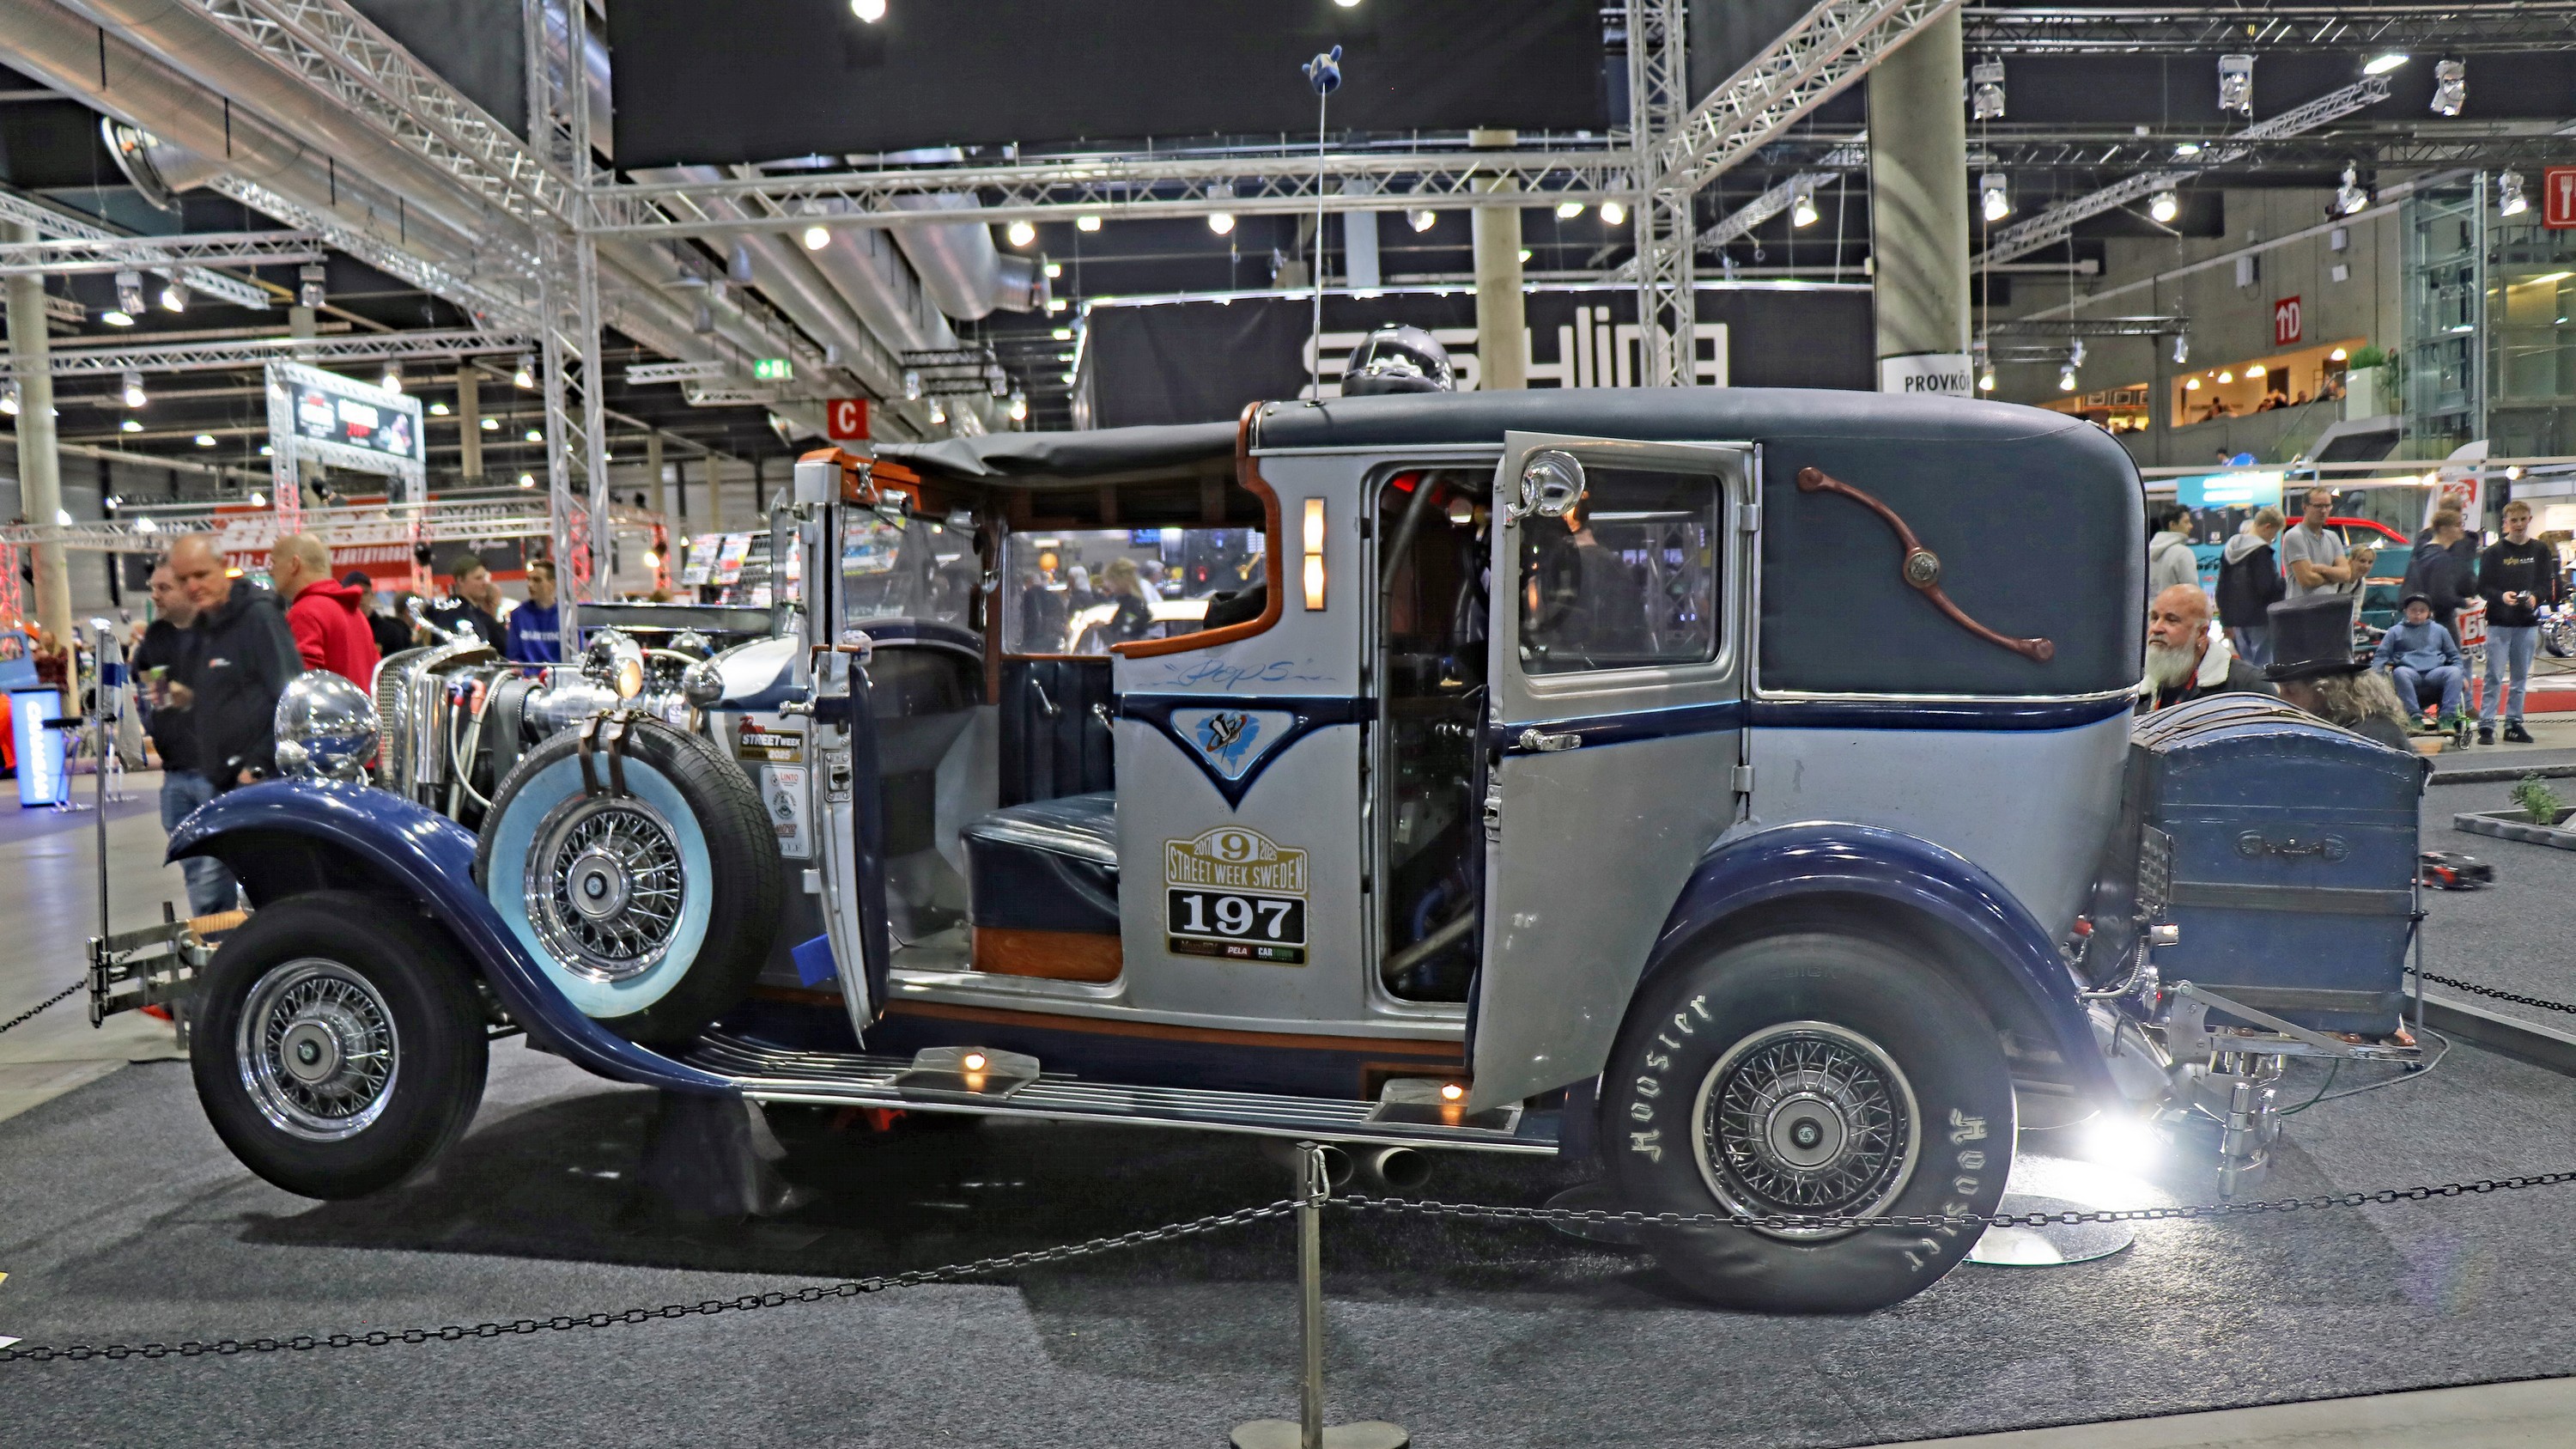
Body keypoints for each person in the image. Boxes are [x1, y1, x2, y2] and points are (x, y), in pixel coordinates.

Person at [130, 558, 235, 916]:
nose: (155, 596)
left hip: (213, 774)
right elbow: (148, 676)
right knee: (194, 867)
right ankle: (214, 934)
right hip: (175, 774)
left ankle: (219, 937)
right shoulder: (158, 635)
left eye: (164, 588)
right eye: (153, 589)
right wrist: (164, 694)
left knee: (213, 871)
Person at [165, 533, 301, 789]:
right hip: (222, 781)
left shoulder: (259, 617)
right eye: (183, 579)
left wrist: (258, 767)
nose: (192, 587)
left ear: (223, 566)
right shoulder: (204, 627)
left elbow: (292, 701)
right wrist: (190, 698)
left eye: (201, 575)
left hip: (259, 784)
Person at [2268, 594, 2414, 752]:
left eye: (2290, 690)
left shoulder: (2373, 739)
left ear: (2326, 690)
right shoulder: (2326, 731)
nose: (2281, 700)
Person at [2477, 498, 2562, 745]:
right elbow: (2483, 587)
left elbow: (2546, 584)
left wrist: (2536, 597)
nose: (2518, 524)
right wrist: (2501, 596)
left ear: (2529, 520)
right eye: (2513, 520)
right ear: (2506, 522)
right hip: (2499, 622)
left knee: (2520, 677)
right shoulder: (2494, 552)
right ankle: (2486, 724)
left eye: (2523, 519)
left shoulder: (2539, 550)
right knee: (2493, 675)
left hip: (2526, 622)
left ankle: (2514, 723)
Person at [2139, 582, 2271, 712]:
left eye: (2172, 620)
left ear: (2201, 633)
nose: (2156, 628)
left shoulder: (2248, 687)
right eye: (2154, 618)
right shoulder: (2136, 691)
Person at [270, 533, 380, 686]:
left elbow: (305, 687)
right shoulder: (356, 613)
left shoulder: (305, 613)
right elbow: (377, 677)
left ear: (294, 564)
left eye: (273, 563)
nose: (271, 571)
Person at [2372, 593, 2466, 725]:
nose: (2417, 614)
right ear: (2406, 611)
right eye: (2413, 610)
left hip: (2435, 673)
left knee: (2454, 672)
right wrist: (2376, 679)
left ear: (2429, 613)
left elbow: (2454, 656)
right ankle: (2414, 717)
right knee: (2400, 672)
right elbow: (2381, 656)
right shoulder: (2395, 631)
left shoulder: (2440, 630)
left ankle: (2448, 718)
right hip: (2409, 673)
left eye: (2422, 610)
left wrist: (2462, 675)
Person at [2281, 488, 2374, 609]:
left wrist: (2322, 569)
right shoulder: (2295, 536)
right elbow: (2307, 580)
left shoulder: (2333, 537)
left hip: (2329, 611)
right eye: (2318, 506)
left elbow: (2346, 574)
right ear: (2305, 507)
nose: (2324, 511)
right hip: (2302, 611)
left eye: (2327, 506)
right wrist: (2334, 577)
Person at [2215, 507, 2286, 667]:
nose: (2272, 538)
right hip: (2259, 618)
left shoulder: (2230, 549)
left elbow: (2222, 587)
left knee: (2246, 666)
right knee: (2263, 666)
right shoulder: (2261, 552)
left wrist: (2224, 620)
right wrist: (2283, 584)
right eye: (2274, 533)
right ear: (2267, 527)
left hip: (2235, 620)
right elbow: (2266, 587)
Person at [2400, 505, 2475, 642]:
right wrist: (2463, 602)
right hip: (2440, 620)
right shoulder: (2441, 557)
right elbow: (2441, 595)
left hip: (2422, 618)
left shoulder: (2424, 552)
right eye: (2457, 525)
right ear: (2444, 529)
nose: (2462, 529)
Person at [422, 553, 507, 650]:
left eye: (484, 577)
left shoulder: (479, 615)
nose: (485, 583)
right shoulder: (452, 615)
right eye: (478, 578)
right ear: (461, 580)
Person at [505, 557, 564, 663]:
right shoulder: (518, 615)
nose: (530, 585)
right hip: (527, 673)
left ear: (552, 584)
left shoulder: (566, 615)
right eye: (528, 579)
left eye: (537, 580)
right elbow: (514, 656)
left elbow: (576, 655)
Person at [347, 570, 412, 661]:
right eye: (353, 592)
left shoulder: (391, 633)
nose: (360, 597)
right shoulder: (340, 631)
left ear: (371, 595)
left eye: (364, 592)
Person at [2147, 504, 2201, 598]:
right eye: (2186, 522)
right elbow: (2192, 593)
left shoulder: (2147, 552)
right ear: (2172, 525)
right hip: (2175, 607)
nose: (2191, 526)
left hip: (2151, 606)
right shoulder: (2183, 553)